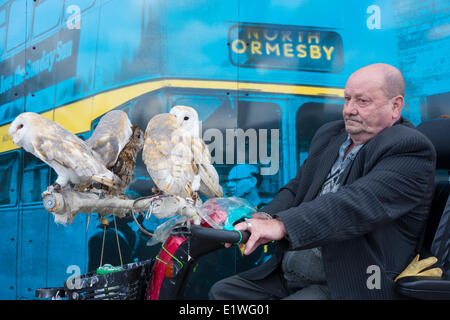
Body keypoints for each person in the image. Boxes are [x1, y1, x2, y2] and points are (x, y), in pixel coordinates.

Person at [209, 63, 437, 300]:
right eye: (347, 99)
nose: (349, 110)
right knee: (224, 293)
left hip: (351, 280)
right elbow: (298, 187)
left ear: (395, 106)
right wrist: (265, 218)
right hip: (295, 270)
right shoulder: (331, 134)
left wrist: (282, 225)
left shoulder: (410, 149)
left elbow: (356, 204)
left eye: (362, 101)